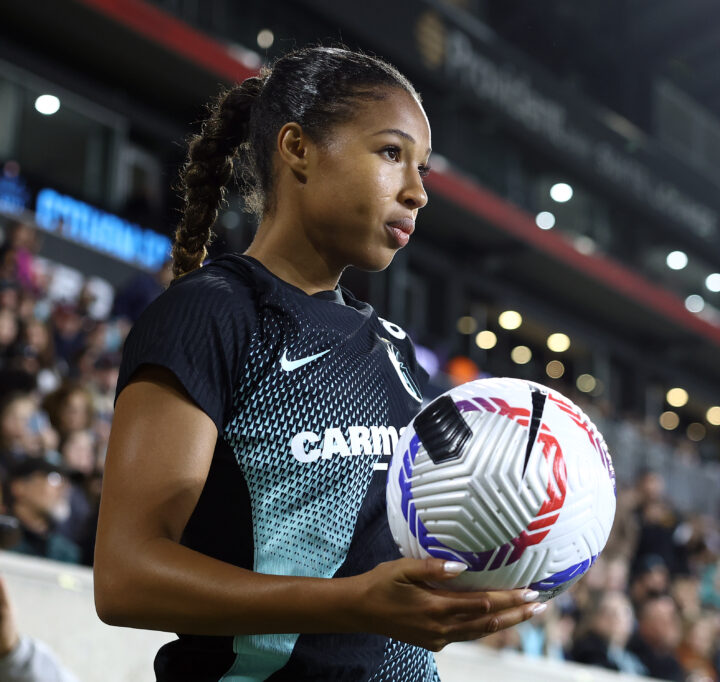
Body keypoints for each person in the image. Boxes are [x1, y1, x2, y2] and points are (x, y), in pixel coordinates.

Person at [93, 45, 543, 681]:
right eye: (391, 154)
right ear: (297, 148)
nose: (416, 192)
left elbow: (412, 548)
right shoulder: (210, 315)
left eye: (423, 171)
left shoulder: (394, 348)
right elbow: (125, 576)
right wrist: (354, 605)